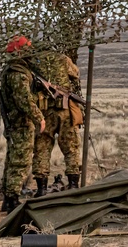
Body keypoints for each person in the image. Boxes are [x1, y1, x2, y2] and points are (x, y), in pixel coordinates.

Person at [0, 35, 45, 212]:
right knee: (20, 161)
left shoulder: (12, 69)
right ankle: (13, 200)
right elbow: (24, 100)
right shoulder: (18, 73)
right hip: (21, 123)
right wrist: (38, 117)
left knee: (13, 159)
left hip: (16, 121)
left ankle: (9, 198)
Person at [31, 50, 84, 193]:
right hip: (65, 111)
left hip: (44, 112)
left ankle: (41, 188)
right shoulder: (63, 59)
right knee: (71, 148)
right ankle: (73, 185)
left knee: (42, 148)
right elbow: (75, 74)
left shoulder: (33, 62)